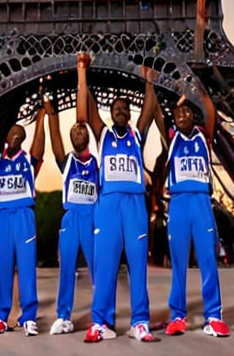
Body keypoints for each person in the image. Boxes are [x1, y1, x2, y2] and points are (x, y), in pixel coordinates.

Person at [77, 52, 159, 343]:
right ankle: (101, 322)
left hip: (134, 204)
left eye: (125, 108)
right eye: (117, 109)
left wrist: (149, 81)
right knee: (106, 265)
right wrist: (82, 70)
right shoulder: (102, 135)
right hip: (108, 204)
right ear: (112, 114)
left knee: (138, 265)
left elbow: (149, 111)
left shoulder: (137, 134)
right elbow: (86, 111)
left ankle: (140, 322)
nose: (122, 111)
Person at [158, 93, 230, 338]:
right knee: (179, 264)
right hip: (178, 203)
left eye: (187, 112)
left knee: (208, 261)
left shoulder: (204, 137)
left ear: (194, 117)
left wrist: (193, 89)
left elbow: (210, 109)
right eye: (178, 114)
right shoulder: (171, 138)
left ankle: (214, 315)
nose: (182, 115)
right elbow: (157, 115)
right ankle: (177, 315)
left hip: (201, 202)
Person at [0, 105, 47, 336]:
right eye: (12, 132)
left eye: (20, 134)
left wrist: (41, 117)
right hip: (2, 216)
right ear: (7, 136)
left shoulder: (28, 161)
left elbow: (40, 146)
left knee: (27, 267)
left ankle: (29, 317)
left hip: (23, 215)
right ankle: (0, 317)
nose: (16, 135)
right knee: (1, 267)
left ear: (23, 139)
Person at [46, 98, 99, 335]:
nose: (78, 131)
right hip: (71, 217)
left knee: (98, 268)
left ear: (87, 135)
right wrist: (51, 115)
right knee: (67, 267)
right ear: (71, 138)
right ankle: (63, 316)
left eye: (82, 128)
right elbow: (54, 136)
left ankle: (101, 314)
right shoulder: (66, 160)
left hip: (92, 217)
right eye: (74, 130)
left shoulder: (98, 163)